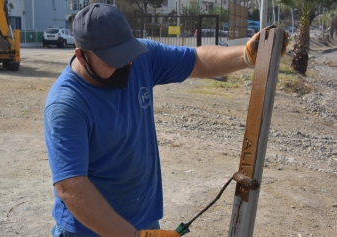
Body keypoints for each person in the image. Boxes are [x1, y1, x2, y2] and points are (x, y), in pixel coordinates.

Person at [44, 3, 288, 237]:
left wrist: (245, 55)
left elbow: (196, 60)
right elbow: (71, 186)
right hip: (91, 229)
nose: (124, 65)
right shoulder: (66, 104)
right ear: (81, 55)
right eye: (112, 60)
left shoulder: (139, 58)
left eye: (126, 54)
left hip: (142, 218)